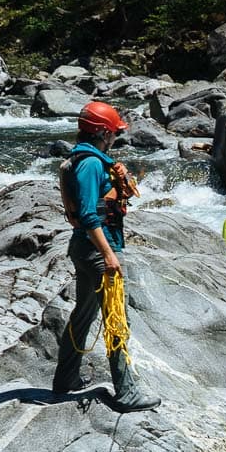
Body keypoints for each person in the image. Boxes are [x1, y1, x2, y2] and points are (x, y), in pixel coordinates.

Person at [51, 101, 160, 412]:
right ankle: (126, 392)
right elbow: (87, 214)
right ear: (101, 132)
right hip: (96, 252)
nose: (115, 137)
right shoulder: (90, 164)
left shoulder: (86, 159)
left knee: (83, 314)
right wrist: (109, 254)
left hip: (85, 250)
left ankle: (66, 379)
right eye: (113, 132)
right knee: (116, 320)